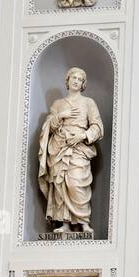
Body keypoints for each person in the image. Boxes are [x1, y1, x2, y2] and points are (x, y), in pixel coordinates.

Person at [38, 67, 103, 234]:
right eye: (73, 77)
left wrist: (82, 135)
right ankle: (64, 223)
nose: (76, 81)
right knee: (60, 183)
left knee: (76, 183)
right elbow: (49, 127)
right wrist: (61, 116)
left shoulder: (88, 103)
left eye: (80, 79)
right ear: (67, 81)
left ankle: (83, 222)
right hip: (59, 146)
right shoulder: (58, 104)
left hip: (79, 148)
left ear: (83, 84)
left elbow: (97, 126)